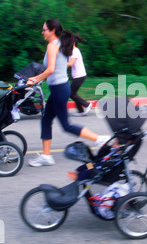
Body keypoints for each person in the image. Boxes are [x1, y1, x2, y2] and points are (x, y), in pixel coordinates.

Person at [27, 19, 109, 167]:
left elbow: (51, 69)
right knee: (46, 119)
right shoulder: (61, 43)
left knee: (66, 125)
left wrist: (35, 79)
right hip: (59, 88)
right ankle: (46, 156)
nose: (42, 32)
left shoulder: (53, 45)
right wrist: (39, 78)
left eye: (44, 29)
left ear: (52, 31)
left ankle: (100, 139)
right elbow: (55, 68)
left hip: (59, 89)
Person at [67, 33, 92, 116]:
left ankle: (86, 104)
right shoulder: (72, 51)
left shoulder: (75, 51)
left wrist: (59, 65)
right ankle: (81, 111)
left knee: (71, 93)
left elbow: (70, 63)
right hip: (77, 76)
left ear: (73, 43)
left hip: (79, 76)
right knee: (73, 93)